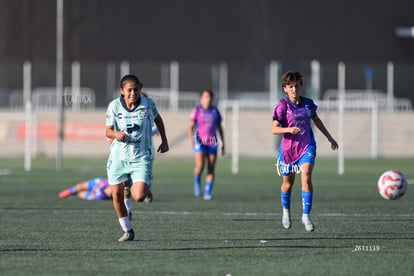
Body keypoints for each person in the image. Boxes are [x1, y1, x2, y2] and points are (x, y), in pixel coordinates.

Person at [272, 71, 338, 232]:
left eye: (296, 86)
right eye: (290, 87)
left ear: (300, 86)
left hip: (307, 147)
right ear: (285, 89)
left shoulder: (308, 104)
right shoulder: (282, 106)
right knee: (287, 185)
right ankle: (286, 212)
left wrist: (330, 137)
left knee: (306, 177)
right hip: (288, 150)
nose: (294, 89)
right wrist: (289, 129)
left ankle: (306, 216)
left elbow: (316, 120)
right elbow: (274, 129)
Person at [106, 74, 169, 241]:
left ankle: (131, 182)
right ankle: (128, 230)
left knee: (140, 196)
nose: (133, 93)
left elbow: (159, 120)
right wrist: (115, 134)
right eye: (129, 90)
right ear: (122, 91)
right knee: (116, 196)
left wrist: (164, 141)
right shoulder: (113, 106)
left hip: (141, 157)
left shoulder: (148, 104)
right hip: (118, 158)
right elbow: (107, 131)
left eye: (136, 90)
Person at [188, 89, 225, 200]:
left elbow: (219, 128)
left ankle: (208, 192)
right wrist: (191, 141)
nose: (207, 99)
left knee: (211, 168)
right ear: (201, 98)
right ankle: (197, 182)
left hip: (212, 142)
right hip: (200, 142)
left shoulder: (215, 111)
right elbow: (191, 127)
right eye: (205, 97)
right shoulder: (197, 110)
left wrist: (224, 143)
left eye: (209, 97)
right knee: (200, 167)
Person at [58, 177, 135, 220]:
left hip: (97, 193)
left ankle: (75, 192)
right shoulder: (110, 184)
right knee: (80, 187)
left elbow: (91, 196)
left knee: (80, 194)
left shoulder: (101, 196)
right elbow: (103, 181)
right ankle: (70, 191)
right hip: (96, 183)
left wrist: (90, 195)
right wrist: (95, 188)